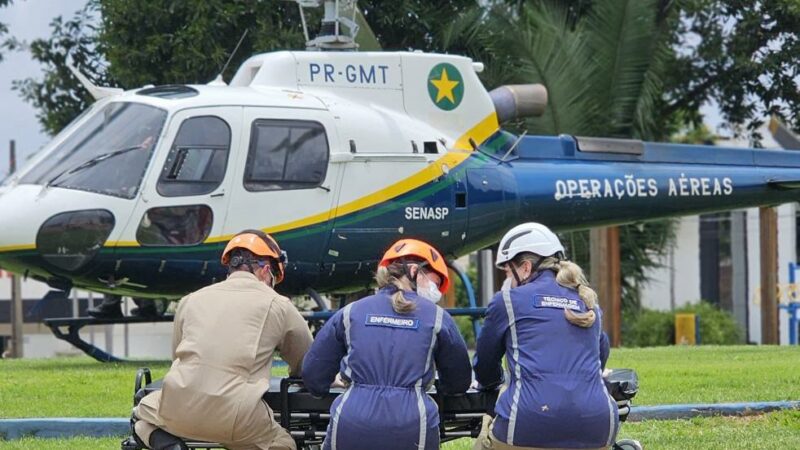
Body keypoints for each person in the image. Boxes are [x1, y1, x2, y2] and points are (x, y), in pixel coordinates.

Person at [132, 230, 313, 450]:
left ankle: (169, 446)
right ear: (266, 271)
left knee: (141, 416)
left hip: (177, 408)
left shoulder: (190, 301)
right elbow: (307, 364)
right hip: (237, 418)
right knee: (283, 443)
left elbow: (178, 358)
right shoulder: (278, 304)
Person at [302, 238, 472, 450]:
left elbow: (312, 374)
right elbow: (458, 382)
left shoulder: (350, 312)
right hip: (412, 425)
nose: (436, 291)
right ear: (413, 270)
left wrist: (332, 382)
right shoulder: (438, 318)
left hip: (352, 421)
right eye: (434, 282)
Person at [473, 223, 618, 450]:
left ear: (526, 268)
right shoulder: (588, 302)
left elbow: (485, 367)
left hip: (528, 424)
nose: (507, 279)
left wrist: (493, 384)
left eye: (508, 272)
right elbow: (601, 355)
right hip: (598, 427)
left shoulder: (507, 301)